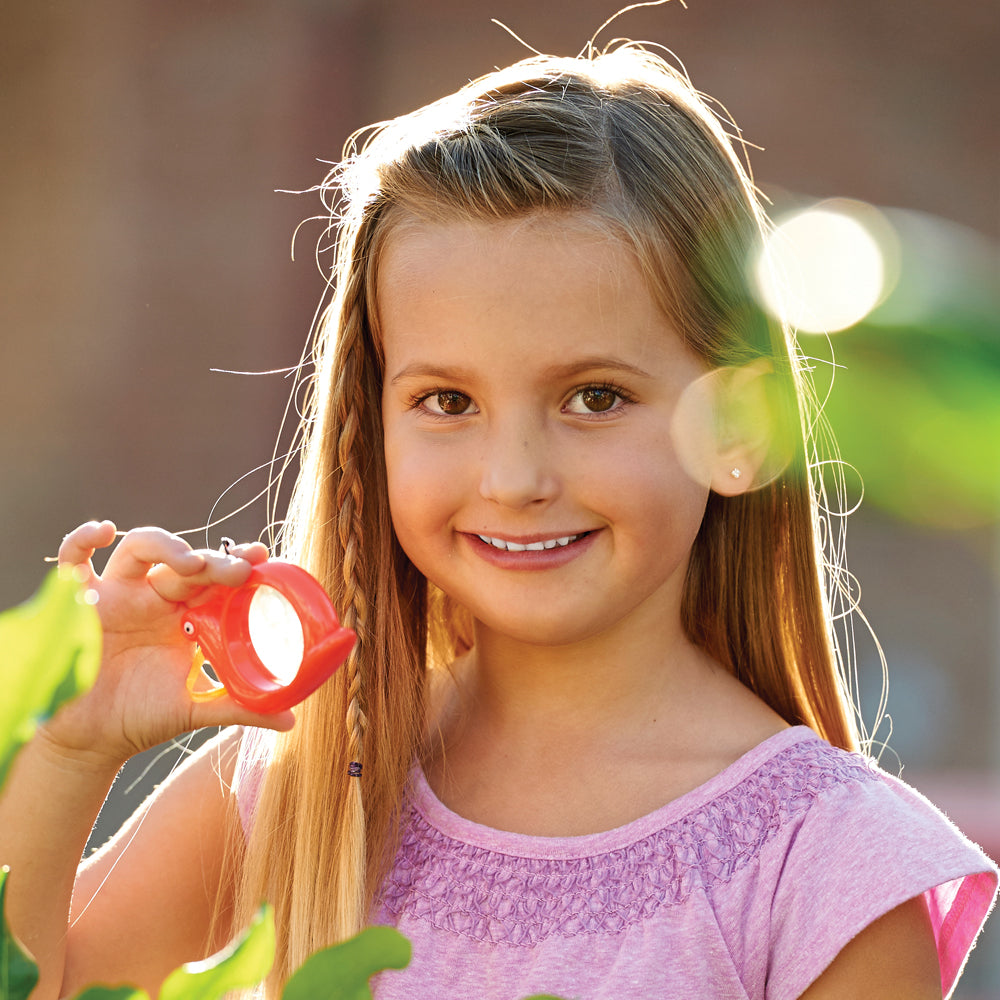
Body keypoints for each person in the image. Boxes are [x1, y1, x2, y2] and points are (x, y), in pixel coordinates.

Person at [0, 41, 995, 1000]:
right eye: (447, 401)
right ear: (371, 427)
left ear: (738, 425)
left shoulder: (828, 866)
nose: (514, 476)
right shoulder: (299, 789)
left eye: (594, 397)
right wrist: (73, 747)